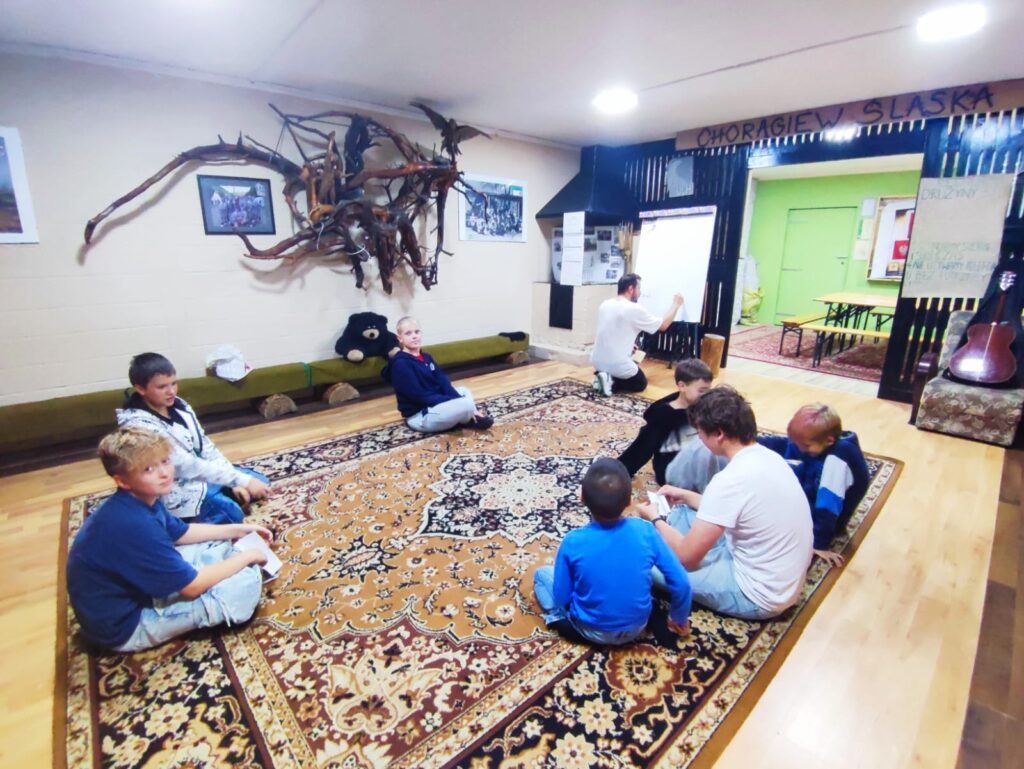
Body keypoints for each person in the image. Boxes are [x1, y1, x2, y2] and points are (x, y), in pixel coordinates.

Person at [66, 428, 272, 652]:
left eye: (165, 461)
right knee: (241, 589)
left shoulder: (142, 500)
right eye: (149, 469)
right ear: (122, 481)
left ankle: (219, 565)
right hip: (125, 626)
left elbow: (181, 532)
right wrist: (247, 557)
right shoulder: (136, 524)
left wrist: (239, 530)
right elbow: (192, 588)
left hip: (131, 590)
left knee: (217, 541)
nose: (164, 473)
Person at [637, 386, 813, 620]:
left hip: (756, 594)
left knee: (639, 560)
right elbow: (732, 507)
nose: (699, 438)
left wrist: (655, 519)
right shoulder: (768, 457)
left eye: (700, 432)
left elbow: (687, 558)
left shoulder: (729, 481)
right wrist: (686, 494)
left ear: (719, 433)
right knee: (684, 510)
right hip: (779, 576)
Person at [533, 458, 692, 645]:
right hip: (638, 626)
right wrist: (678, 618)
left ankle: (557, 618)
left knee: (541, 575)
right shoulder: (646, 531)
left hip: (590, 630)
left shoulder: (573, 541)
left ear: (582, 498)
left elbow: (562, 596)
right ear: (630, 501)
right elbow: (682, 582)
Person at [116, 352, 271, 524]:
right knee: (232, 514)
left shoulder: (179, 406)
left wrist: (235, 482)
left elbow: (205, 446)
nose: (171, 391)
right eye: (162, 387)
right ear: (140, 389)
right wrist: (240, 480)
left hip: (198, 474)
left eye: (173, 383)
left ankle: (221, 493)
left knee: (260, 482)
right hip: (172, 486)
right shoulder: (139, 426)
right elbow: (183, 465)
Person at [758, 403, 870, 567]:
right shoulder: (817, 443)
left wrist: (819, 543)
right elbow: (788, 445)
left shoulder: (836, 462)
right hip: (814, 484)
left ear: (829, 441)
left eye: (805, 446)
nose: (800, 448)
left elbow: (828, 507)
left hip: (830, 516)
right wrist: (755, 442)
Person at [382, 316, 493, 432]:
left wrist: (455, 399)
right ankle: (469, 416)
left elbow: (443, 382)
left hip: (435, 405)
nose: (414, 336)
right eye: (408, 333)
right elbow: (419, 396)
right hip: (421, 414)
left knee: (464, 391)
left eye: (417, 332)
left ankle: (470, 415)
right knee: (465, 404)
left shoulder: (427, 357)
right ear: (400, 338)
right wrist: (451, 401)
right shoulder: (401, 364)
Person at [617, 358, 715, 485]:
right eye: (701, 391)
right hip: (671, 470)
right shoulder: (664, 414)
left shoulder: (703, 405)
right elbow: (642, 447)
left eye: (708, 390)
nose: (706, 395)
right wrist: (620, 469)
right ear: (682, 386)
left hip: (696, 461)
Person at [591, 273, 684, 396]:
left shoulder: (605, 304)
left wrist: (629, 345)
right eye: (639, 288)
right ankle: (611, 383)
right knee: (640, 383)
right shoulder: (634, 309)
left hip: (597, 361)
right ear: (631, 289)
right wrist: (676, 304)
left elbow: (612, 331)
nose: (640, 293)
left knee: (627, 363)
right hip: (616, 364)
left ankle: (603, 376)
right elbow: (663, 325)